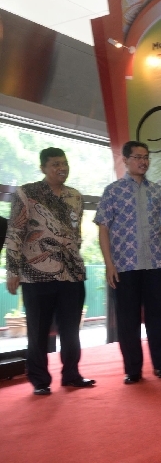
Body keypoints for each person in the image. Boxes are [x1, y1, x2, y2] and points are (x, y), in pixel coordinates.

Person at [5, 147, 95, 395]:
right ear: (43, 167)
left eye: (64, 163)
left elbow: (76, 236)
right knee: (38, 330)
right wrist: (12, 269)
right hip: (36, 274)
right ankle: (40, 381)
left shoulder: (75, 197)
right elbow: (15, 232)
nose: (61, 168)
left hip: (71, 273)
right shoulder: (28, 193)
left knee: (70, 329)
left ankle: (72, 374)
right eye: (55, 164)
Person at [95, 141, 161, 384]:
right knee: (127, 320)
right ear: (126, 160)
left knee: (160, 317)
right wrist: (109, 264)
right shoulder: (113, 191)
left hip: (156, 264)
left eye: (146, 157)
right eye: (138, 157)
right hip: (125, 266)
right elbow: (103, 228)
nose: (143, 161)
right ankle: (133, 370)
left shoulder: (157, 190)